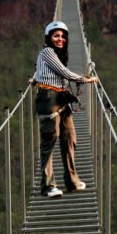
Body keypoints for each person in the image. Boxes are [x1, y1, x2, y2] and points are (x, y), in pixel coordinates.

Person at [32, 21, 98, 198]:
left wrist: (35, 78)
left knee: (69, 138)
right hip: (49, 100)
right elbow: (64, 73)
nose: (60, 39)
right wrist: (86, 79)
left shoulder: (58, 54)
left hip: (62, 99)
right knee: (50, 140)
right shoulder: (47, 52)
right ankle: (47, 186)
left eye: (62, 36)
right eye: (56, 36)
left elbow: (42, 70)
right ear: (48, 38)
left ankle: (72, 180)